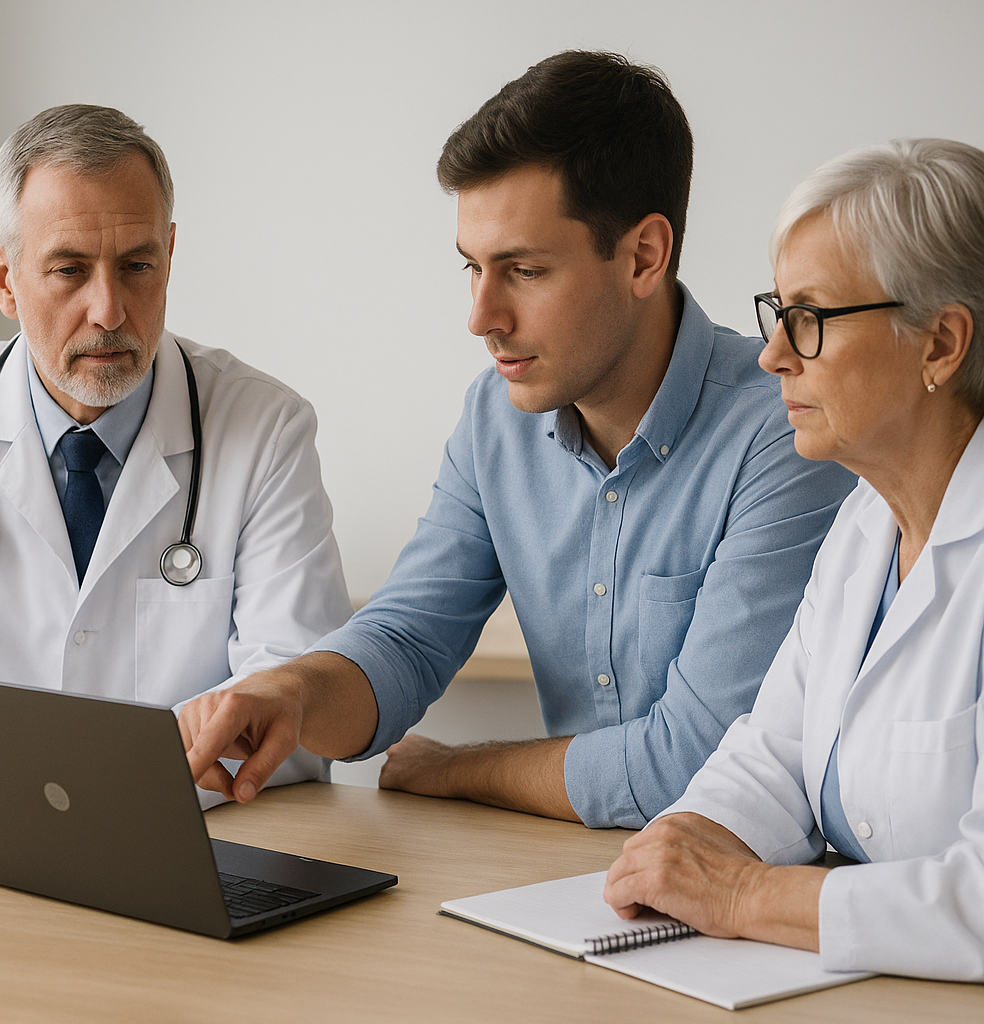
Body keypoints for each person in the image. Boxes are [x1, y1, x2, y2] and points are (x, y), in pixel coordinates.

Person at [180, 51, 856, 829]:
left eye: (524, 270)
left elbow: (692, 765)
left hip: (750, 887)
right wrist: (294, 693)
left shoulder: (787, 429)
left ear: (644, 256)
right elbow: (406, 637)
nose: (481, 316)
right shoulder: (496, 417)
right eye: (472, 267)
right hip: (572, 877)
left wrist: (456, 769)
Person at [0, 105, 351, 817]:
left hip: (198, 840)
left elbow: (296, 693)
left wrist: (125, 781)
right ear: (4, 278)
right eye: (69, 270)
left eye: (136, 266)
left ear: (170, 257)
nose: (110, 310)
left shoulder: (266, 429)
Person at [602, 139, 984, 981]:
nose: (773, 353)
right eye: (778, 313)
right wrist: (689, 839)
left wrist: (742, 896)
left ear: (940, 345)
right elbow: (774, 751)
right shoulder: (862, 523)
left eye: (809, 318)